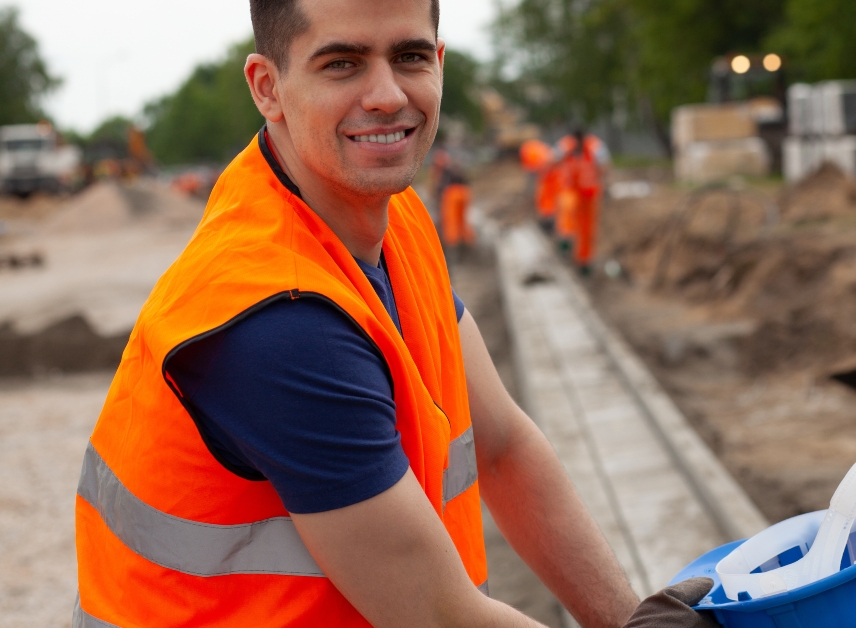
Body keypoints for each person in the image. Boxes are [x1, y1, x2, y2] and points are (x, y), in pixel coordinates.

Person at [72, 1, 714, 626]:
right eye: (342, 64)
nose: (386, 95)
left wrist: (632, 619)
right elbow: (441, 616)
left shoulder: (392, 218)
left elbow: (502, 449)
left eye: (408, 57)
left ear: (439, 62)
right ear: (268, 88)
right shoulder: (278, 324)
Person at [555, 129, 609, 275]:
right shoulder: (565, 147)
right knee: (567, 212)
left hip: (588, 196)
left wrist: (604, 185)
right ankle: (566, 238)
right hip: (571, 191)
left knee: (587, 229)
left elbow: (604, 167)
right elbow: (554, 161)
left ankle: (584, 260)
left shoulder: (595, 148)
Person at [433, 147, 474, 253]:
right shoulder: (455, 167)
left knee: (450, 224)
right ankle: (468, 245)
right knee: (463, 221)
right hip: (465, 193)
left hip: (452, 195)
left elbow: (439, 188)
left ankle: (453, 250)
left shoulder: (443, 171)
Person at [519, 138, 558, 233]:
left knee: (546, 201)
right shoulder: (539, 152)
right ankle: (549, 220)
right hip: (547, 176)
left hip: (548, 178)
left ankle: (548, 221)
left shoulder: (532, 153)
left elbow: (532, 170)